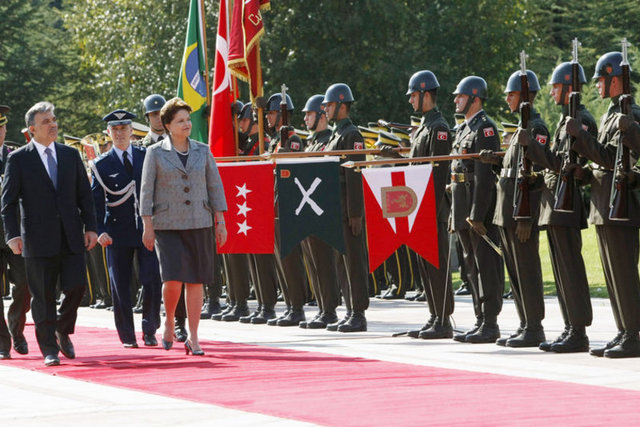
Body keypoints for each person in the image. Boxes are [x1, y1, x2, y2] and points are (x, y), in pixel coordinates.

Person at [1, 101, 98, 366]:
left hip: (71, 236)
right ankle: (49, 350)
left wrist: (91, 227)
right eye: (46, 121)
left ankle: (62, 330)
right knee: (42, 297)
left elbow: (84, 195)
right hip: (36, 240)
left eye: (53, 119)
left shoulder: (70, 155)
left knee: (77, 287)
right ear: (32, 129)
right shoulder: (19, 159)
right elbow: (8, 203)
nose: (53, 124)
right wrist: (13, 236)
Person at [566, 50, 640, 358]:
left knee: (623, 272)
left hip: (621, 203)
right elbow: (604, 161)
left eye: (601, 80)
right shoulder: (611, 114)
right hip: (604, 201)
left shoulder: (631, 113)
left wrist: (581, 138)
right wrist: (584, 173)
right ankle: (624, 330)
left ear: (616, 81)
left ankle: (634, 334)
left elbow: (611, 158)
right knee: (612, 273)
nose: (597, 85)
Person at [140, 97, 227, 356]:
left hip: (200, 221)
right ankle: (169, 321)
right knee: (173, 278)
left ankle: (194, 336)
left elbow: (215, 186)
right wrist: (147, 225)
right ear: (168, 125)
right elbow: (146, 191)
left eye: (188, 119)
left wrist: (220, 221)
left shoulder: (203, 150)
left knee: (196, 281)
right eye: (180, 121)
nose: (187, 124)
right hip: (167, 225)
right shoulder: (155, 153)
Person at [523, 61, 596, 353]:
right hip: (554, 203)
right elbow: (556, 164)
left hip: (567, 204)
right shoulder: (565, 119)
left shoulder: (582, 119)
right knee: (561, 271)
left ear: (569, 88)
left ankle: (578, 331)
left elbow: (565, 164)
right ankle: (569, 327)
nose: (551, 92)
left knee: (570, 269)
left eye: (556, 87)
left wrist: (533, 148)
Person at [480, 69, 547, 348]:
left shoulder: (536, 128)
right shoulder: (521, 128)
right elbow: (513, 169)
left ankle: (534, 326)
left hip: (521, 212)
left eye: (511, 94)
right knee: (515, 271)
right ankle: (524, 323)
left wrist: (526, 217)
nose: (507, 98)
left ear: (525, 95)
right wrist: (495, 162)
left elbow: (537, 174)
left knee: (527, 271)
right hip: (507, 211)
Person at [90, 109, 163, 348]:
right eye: (115, 129)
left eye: (124, 128)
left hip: (146, 228)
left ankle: (150, 328)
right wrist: (99, 229)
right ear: (108, 132)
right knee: (120, 285)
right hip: (117, 232)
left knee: (152, 279)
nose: (120, 133)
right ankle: (128, 335)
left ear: (132, 130)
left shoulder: (146, 156)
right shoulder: (101, 164)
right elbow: (96, 202)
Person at [400, 71, 455, 339]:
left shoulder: (439, 128)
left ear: (425, 94)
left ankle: (443, 319)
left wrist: (426, 209)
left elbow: (438, 173)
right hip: (419, 208)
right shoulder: (424, 126)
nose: (411, 100)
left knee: (436, 265)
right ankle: (434, 315)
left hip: (432, 207)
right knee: (425, 265)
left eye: (413, 95)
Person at [449, 77, 503, 344]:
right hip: (462, 204)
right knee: (470, 266)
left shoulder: (485, 129)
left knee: (485, 266)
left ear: (475, 98)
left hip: (477, 208)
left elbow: (485, 176)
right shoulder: (463, 129)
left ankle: (490, 323)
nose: (456, 100)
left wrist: (477, 214)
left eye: (460, 96)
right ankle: (480, 319)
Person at [323, 83, 369, 332]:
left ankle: (359, 313)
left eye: (330, 104)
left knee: (354, 262)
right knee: (341, 262)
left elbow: (355, 175)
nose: (326, 109)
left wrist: (355, 213)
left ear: (342, 105)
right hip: (335, 207)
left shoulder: (352, 135)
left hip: (347, 210)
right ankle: (350, 309)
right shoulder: (336, 135)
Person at [265, 91, 309, 327]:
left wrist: (284, 155)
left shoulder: (293, 139)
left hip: (289, 205)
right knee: (282, 259)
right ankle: (291, 305)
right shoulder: (274, 140)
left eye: (272, 113)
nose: (268, 117)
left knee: (291, 259)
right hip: (275, 203)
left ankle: (298, 307)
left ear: (283, 115)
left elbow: (296, 166)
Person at [298, 94, 341, 329]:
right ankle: (323, 308)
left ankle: (330, 310)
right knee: (314, 263)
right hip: (309, 209)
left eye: (310, 114)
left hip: (322, 210)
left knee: (324, 263)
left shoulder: (327, 141)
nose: (305, 118)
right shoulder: (313, 142)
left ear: (322, 116)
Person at [0, 105, 30, 359]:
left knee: (24, 283)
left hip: (14, 233)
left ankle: (16, 327)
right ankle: (2, 342)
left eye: (1, 126)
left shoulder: (15, 158)